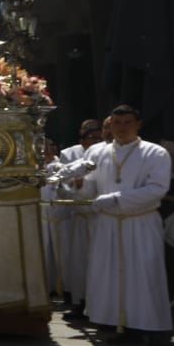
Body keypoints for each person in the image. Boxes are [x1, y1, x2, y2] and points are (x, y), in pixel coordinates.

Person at [81, 105, 174, 346]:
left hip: (140, 221)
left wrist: (116, 199)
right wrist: (73, 184)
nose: (121, 128)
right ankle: (120, 324)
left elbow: (157, 188)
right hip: (108, 223)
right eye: (116, 123)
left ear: (138, 124)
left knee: (144, 273)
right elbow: (88, 189)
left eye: (127, 122)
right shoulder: (97, 152)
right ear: (109, 125)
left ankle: (155, 329)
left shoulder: (155, 153)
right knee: (110, 273)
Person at [46, 119, 102, 321]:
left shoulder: (105, 153)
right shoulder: (70, 154)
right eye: (90, 137)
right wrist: (75, 186)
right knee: (77, 264)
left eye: (98, 137)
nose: (94, 140)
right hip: (76, 216)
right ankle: (78, 302)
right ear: (82, 139)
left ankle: (99, 306)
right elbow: (63, 183)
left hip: (99, 217)